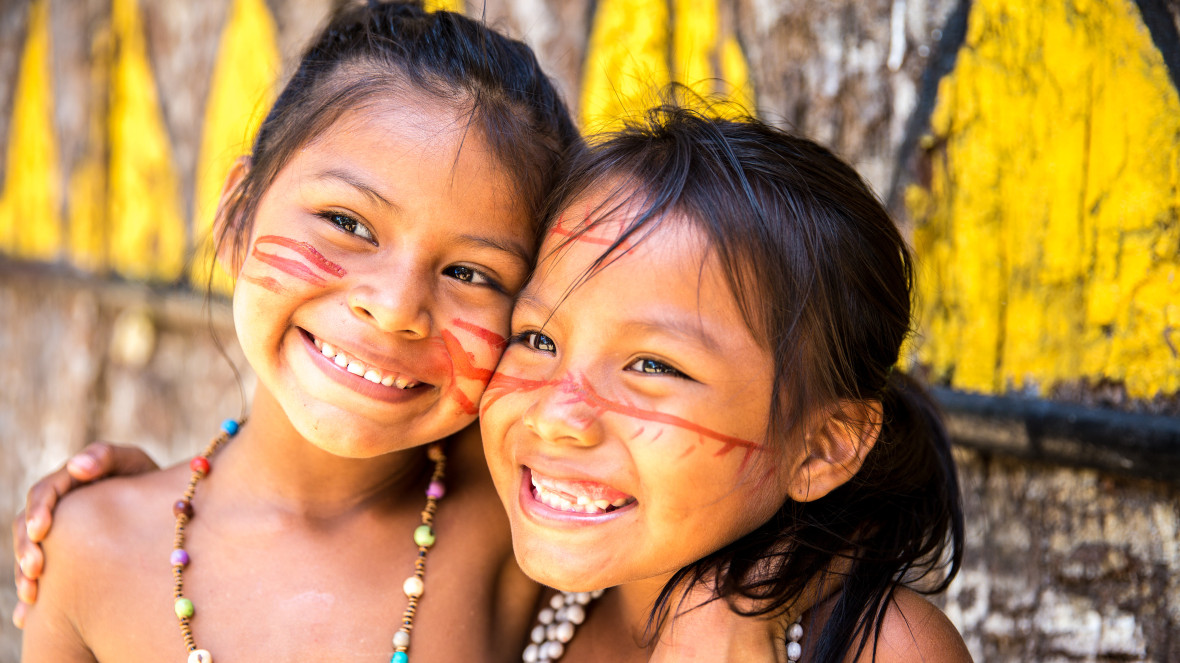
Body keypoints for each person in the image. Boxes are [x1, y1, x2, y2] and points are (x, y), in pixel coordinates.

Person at [18, 1, 579, 661]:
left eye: (469, 272)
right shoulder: (93, 548)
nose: (396, 306)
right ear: (236, 218)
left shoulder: (534, 531)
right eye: (348, 223)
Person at [476, 103, 974, 662]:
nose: (553, 415)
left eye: (654, 366)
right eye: (538, 340)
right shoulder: (495, 576)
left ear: (822, 446)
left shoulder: (887, 649)